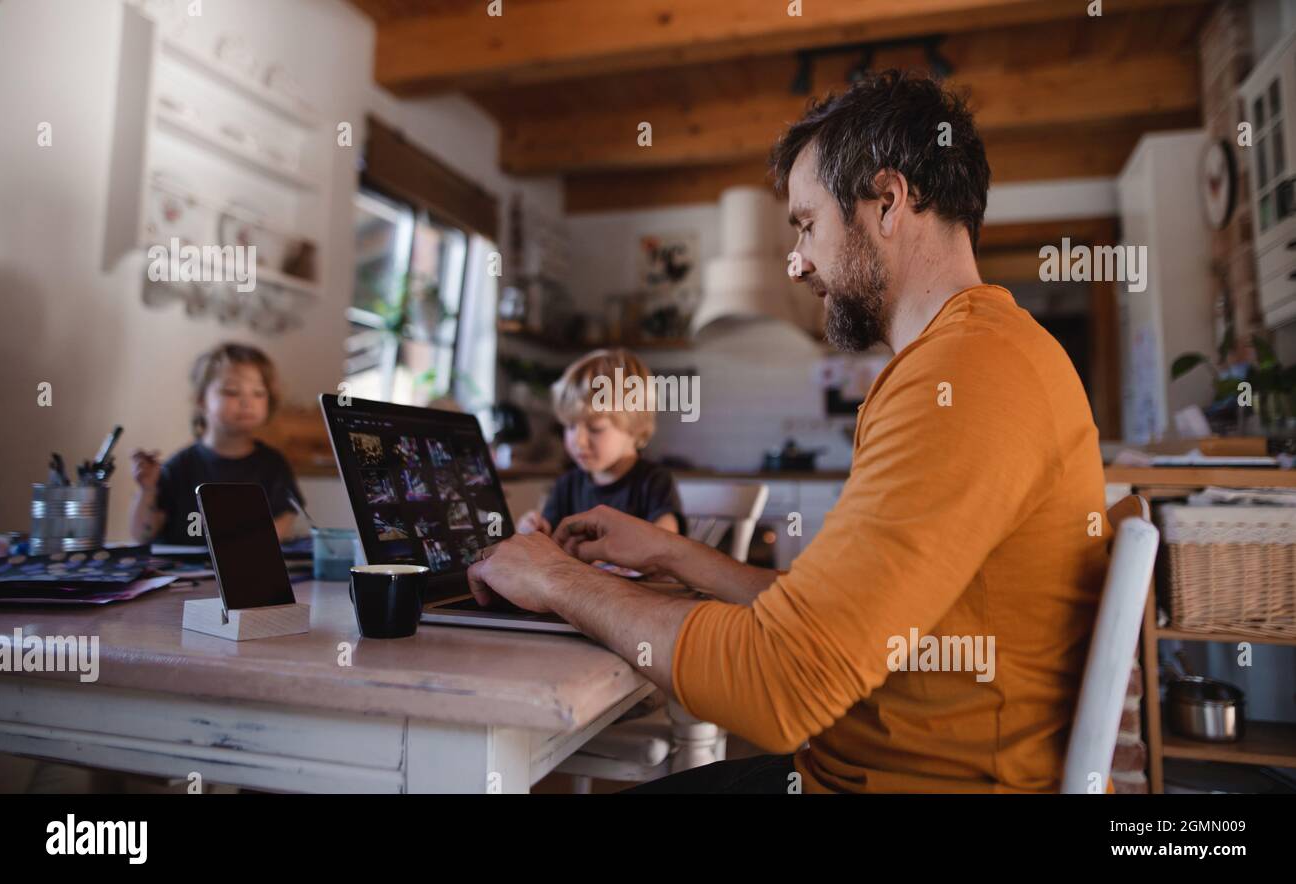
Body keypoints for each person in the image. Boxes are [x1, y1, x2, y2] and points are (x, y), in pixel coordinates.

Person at [464, 70, 1109, 793]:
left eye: (806, 225)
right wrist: (671, 553)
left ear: (888, 202)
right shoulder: (969, 355)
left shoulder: (967, 375)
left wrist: (554, 579)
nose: (798, 262)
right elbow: (823, 619)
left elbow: (781, 686)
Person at [129, 342, 302, 545]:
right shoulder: (180, 466)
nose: (247, 402)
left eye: (258, 393)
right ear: (202, 400)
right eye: (231, 392)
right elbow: (142, 536)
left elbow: (284, 520)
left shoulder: (274, 465)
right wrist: (147, 489)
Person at [516, 348, 683, 537]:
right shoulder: (566, 486)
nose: (578, 440)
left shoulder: (654, 483)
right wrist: (533, 530)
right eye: (570, 426)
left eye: (595, 428)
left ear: (635, 426)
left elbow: (667, 543)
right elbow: (546, 540)